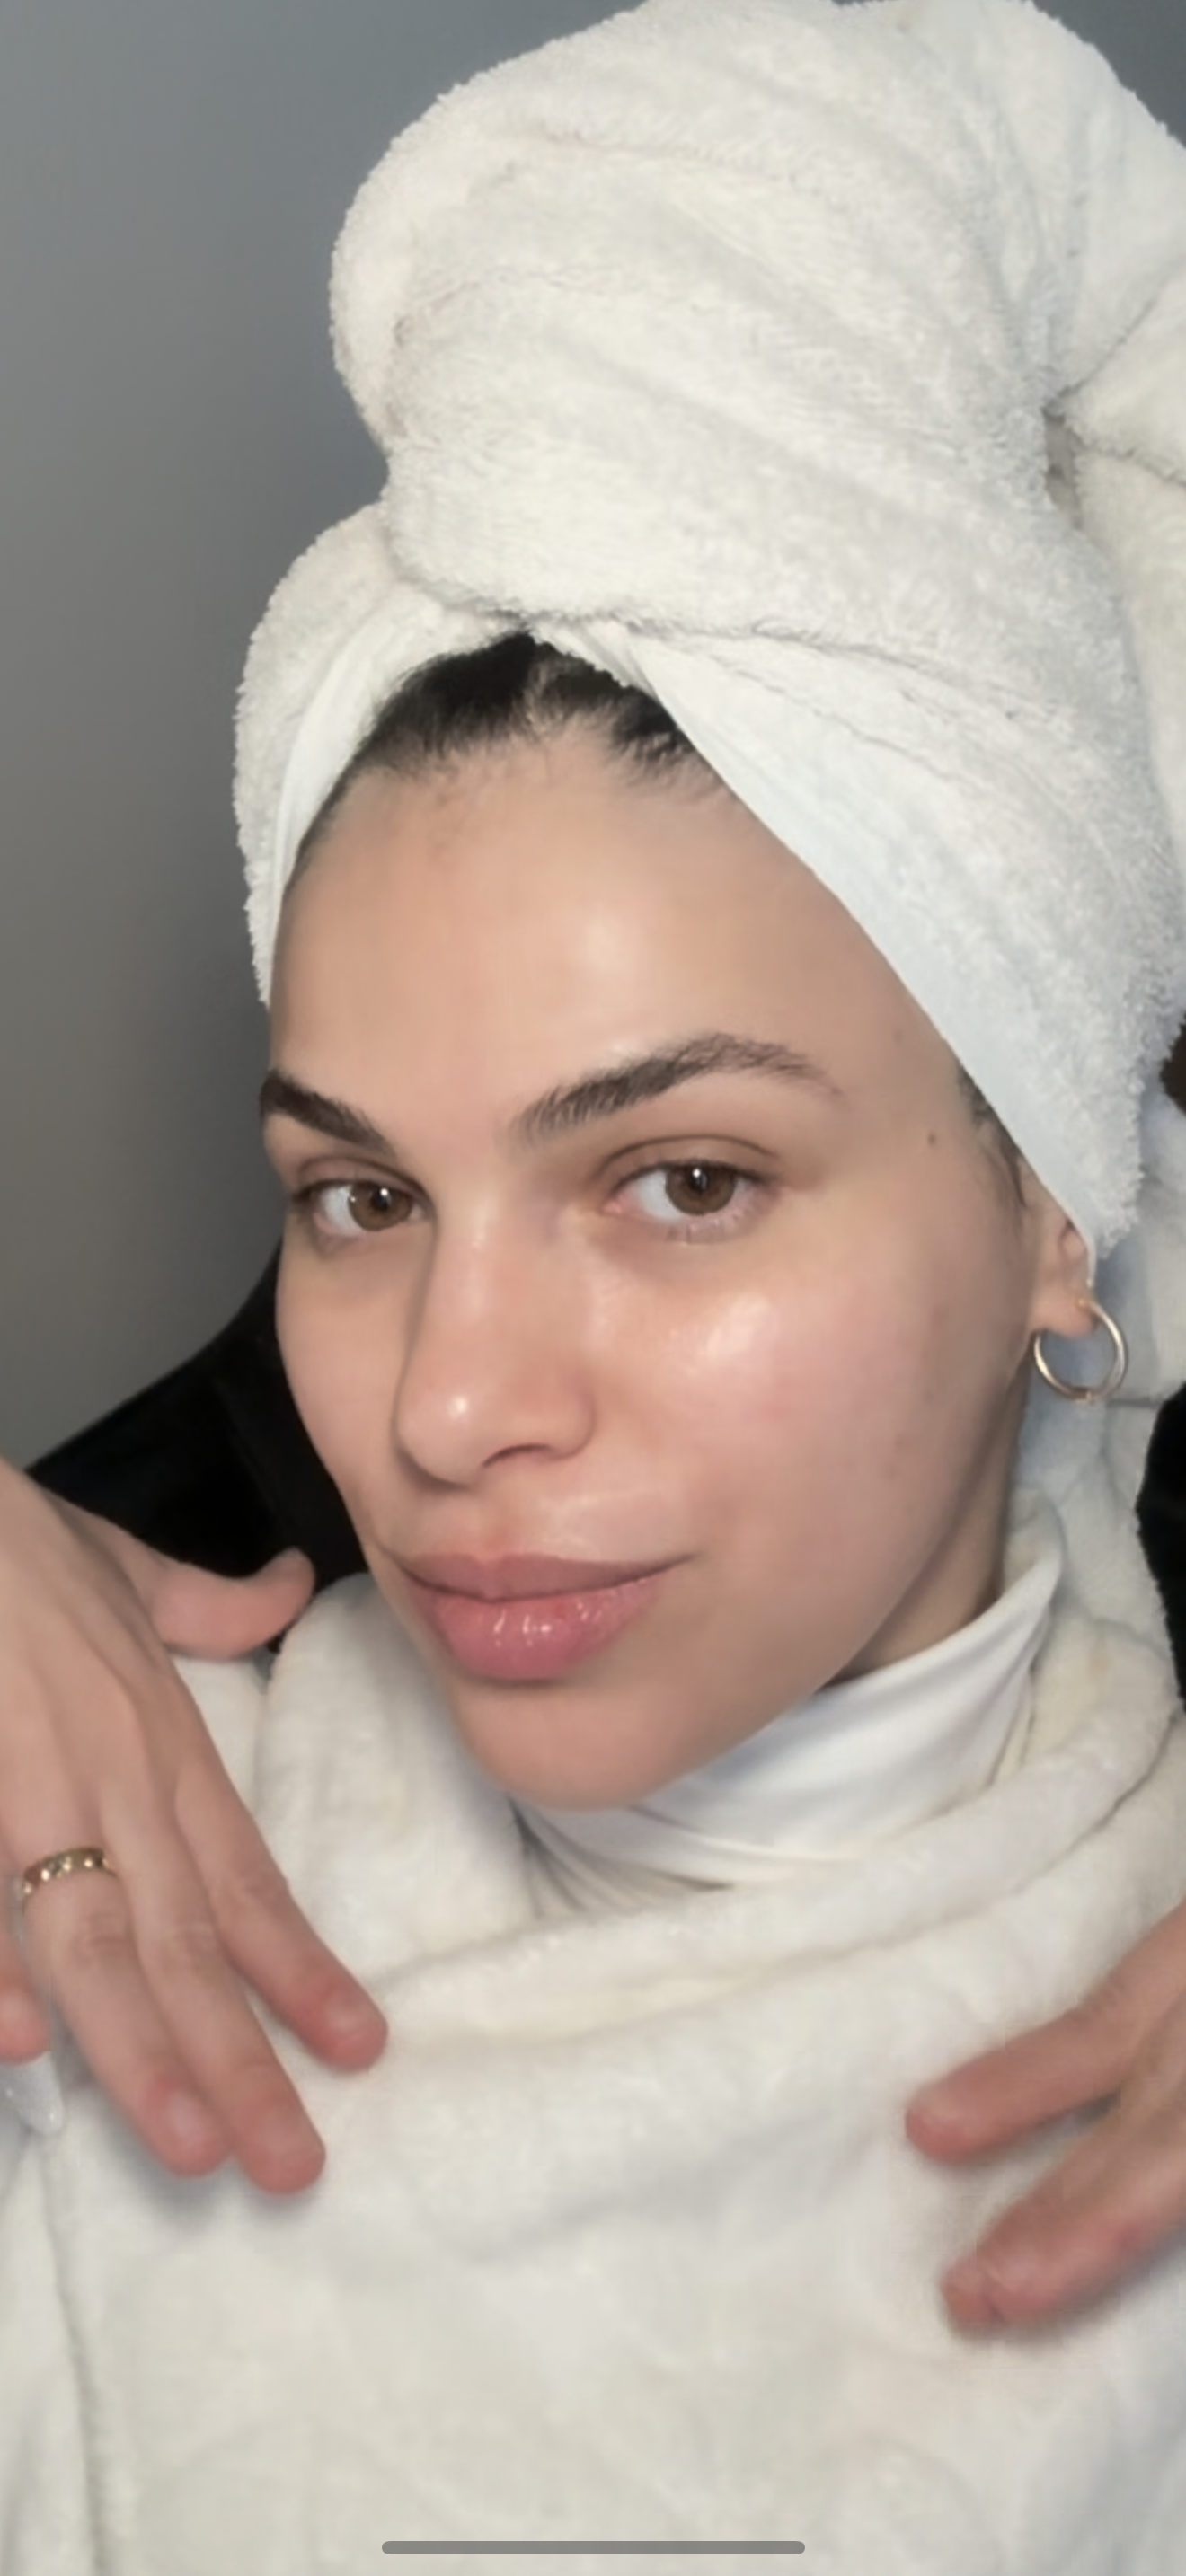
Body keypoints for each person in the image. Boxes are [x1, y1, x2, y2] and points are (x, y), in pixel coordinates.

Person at [4, 8, 1186, 2557]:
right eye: (361, 1198)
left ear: (1051, 1207)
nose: (446, 1411)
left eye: (683, 1180)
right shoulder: (81, 1859)